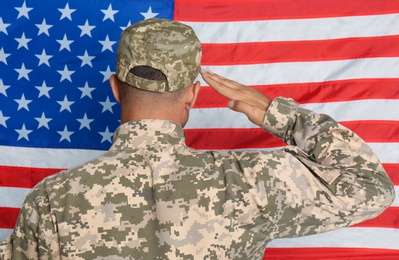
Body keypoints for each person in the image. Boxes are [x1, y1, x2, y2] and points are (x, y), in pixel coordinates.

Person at [0, 18, 395, 260]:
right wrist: (278, 113)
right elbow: (371, 186)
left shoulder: (53, 199)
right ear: (192, 93)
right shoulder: (248, 180)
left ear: (115, 89)